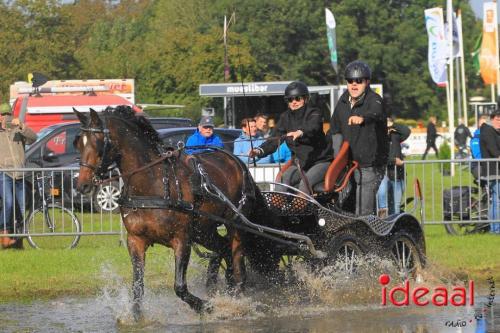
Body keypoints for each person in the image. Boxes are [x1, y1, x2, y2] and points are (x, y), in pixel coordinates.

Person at [249, 81, 333, 194]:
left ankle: (303, 210)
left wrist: (300, 132)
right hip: (300, 164)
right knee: (281, 181)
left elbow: (313, 127)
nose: (294, 102)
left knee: (305, 184)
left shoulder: (314, 113)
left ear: (305, 99)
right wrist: (259, 151)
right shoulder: (285, 117)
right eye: (290, 99)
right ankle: (277, 210)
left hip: (320, 162)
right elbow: (274, 139)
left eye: (297, 98)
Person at [330, 60, 388, 216]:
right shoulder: (342, 103)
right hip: (349, 165)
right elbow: (334, 130)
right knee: (343, 207)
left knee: (363, 211)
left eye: (359, 81)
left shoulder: (374, 100)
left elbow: (375, 113)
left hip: (370, 165)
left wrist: (362, 118)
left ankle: (368, 240)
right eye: (350, 81)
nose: (354, 85)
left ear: (367, 82)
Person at [0, 112, 37, 248]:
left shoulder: (18, 131)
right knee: (8, 202)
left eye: (8, 114)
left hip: (20, 174)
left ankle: (18, 241)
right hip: (5, 173)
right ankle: (4, 235)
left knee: (20, 209)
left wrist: (22, 126)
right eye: (2, 115)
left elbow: (34, 138)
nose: (6, 117)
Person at [377, 117, 411, 217]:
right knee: (382, 197)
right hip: (384, 174)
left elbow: (407, 131)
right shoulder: (378, 139)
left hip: (398, 175)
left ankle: (393, 227)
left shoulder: (395, 135)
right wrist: (393, 161)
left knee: (396, 206)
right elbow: (379, 157)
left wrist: (393, 125)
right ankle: (382, 219)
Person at [479, 110, 500, 234]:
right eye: (497, 119)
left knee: (495, 201)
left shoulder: (493, 131)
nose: (499, 122)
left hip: (495, 170)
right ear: (492, 119)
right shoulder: (488, 131)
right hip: (493, 170)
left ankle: (494, 229)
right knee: (497, 201)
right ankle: (496, 229)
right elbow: (494, 151)